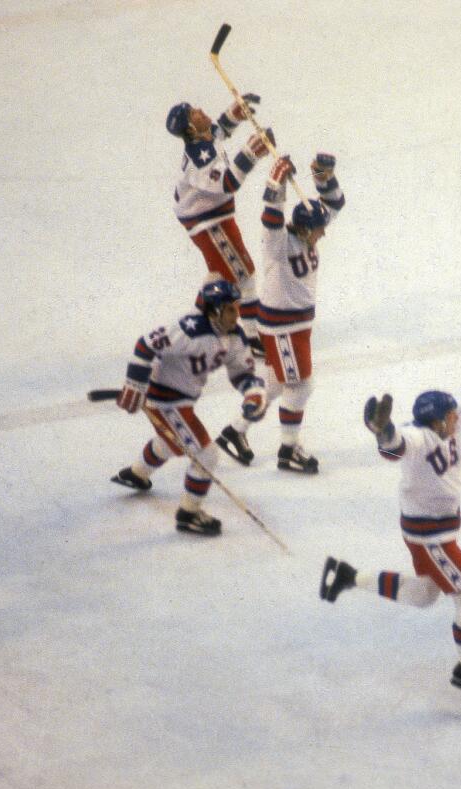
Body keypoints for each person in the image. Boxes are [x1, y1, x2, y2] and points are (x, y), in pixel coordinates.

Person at [318, 333, 461, 699]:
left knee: (423, 595)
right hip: (429, 535)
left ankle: (349, 577)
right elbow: (395, 444)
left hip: (440, 528)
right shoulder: (419, 438)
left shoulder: (453, 416)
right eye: (450, 418)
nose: (456, 420)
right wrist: (382, 430)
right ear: (434, 423)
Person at [215, 152, 345, 474]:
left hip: (295, 324)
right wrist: (276, 183)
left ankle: (235, 431)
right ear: (303, 230)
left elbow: (336, 206)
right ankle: (288, 450)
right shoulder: (278, 243)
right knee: (300, 385)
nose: (323, 235)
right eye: (318, 231)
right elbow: (270, 217)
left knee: (274, 385)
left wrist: (323, 178)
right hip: (282, 326)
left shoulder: (308, 226)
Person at [110, 280, 267, 536]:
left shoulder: (234, 337)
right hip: (164, 399)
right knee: (206, 454)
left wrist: (254, 395)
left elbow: (242, 373)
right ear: (213, 310)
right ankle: (189, 513)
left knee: (173, 442)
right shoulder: (189, 331)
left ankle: (137, 473)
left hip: (182, 400)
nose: (236, 314)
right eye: (229, 309)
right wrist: (134, 384)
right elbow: (145, 345)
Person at [166, 97, 273, 357]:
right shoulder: (198, 158)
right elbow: (227, 183)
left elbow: (220, 131)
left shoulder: (203, 138)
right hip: (208, 220)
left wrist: (235, 113)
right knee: (241, 276)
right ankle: (248, 335)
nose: (202, 110)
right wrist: (251, 153)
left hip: (214, 216)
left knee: (228, 276)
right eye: (194, 113)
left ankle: (201, 331)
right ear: (191, 129)